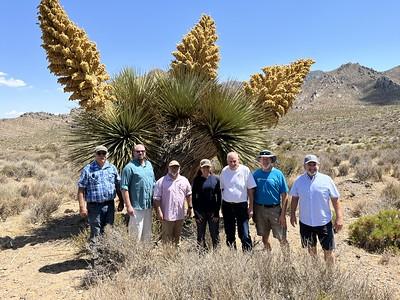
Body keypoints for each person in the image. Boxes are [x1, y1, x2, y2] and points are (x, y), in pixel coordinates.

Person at [290, 154, 343, 265]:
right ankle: (316, 274)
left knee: (328, 251)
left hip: (323, 222)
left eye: (314, 164)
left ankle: (330, 276)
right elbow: (294, 198)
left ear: (318, 165)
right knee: (311, 250)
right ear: (304, 166)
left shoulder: (326, 180)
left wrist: (339, 218)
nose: (312, 167)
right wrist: (293, 214)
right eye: (309, 165)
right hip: (305, 223)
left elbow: (335, 199)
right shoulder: (298, 181)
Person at [77, 145, 123, 242]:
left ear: (107, 154)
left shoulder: (112, 168)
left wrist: (121, 201)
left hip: (110, 204)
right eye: (99, 153)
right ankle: (95, 255)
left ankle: (106, 254)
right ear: (95, 155)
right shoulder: (88, 169)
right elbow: (81, 189)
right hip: (94, 206)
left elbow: (118, 186)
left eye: (104, 153)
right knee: (96, 231)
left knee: (108, 230)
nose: (102, 155)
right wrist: (82, 207)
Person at [253, 150, 289, 251]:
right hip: (260, 210)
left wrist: (283, 215)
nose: (265, 161)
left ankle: (288, 262)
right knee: (264, 237)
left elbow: (285, 195)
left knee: (282, 237)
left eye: (267, 159)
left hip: (275, 210)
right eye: (262, 159)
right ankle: (268, 259)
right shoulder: (256, 174)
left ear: (271, 160)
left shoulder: (278, 174)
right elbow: (251, 191)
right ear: (260, 160)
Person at [220, 152, 256, 251]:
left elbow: (250, 190)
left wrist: (251, 207)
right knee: (229, 232)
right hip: (227, 205)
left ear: (238, 160)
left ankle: (247, 255)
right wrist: (221, 207)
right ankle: (232, 255)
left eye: (234, 161)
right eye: (230, 161)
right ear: (227, 161)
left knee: (244, 232)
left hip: (241, 205)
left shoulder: (245, 170)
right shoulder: (224, 171)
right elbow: (222, 189)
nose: (232, 163)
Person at [153, 160, 192, 245]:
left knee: (177, 237)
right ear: (168, 168)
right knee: (166, 237)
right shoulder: (161, 181)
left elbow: (188, 194)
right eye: (172, 167)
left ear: (179, 168)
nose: (174, 169)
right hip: (167, 215)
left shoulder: (184, 180)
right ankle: (167, 255)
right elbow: (156, 198)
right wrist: (159, 212)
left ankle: (176, 255)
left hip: (180, 215)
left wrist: (190, 207)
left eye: (176, 167)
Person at [121, 144, 155, 242]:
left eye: (142, 151)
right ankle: (133, 256)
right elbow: (124, 188)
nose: (140, 153)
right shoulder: (129, 168)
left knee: (147, 234)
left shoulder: (149, 165)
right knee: (135, 234)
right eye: (138, 151)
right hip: (136, 207)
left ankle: (145, 255)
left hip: (148, 206)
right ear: (133, 153)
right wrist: (128, 206)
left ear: (145, 152)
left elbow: (153, 183)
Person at [192, 159, 222, 250]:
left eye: (207, 167)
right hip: (201, 212)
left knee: (215, 234)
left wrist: (217, 212)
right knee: (200, 234)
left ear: (210, 168)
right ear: (200, 168)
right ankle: (201, 253)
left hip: (213, 212)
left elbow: (219, 196)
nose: (205, 169)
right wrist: (196, 214)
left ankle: (216, 253)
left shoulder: (216, 179)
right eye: (204, 167)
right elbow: (194, 198)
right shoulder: (197, 180)